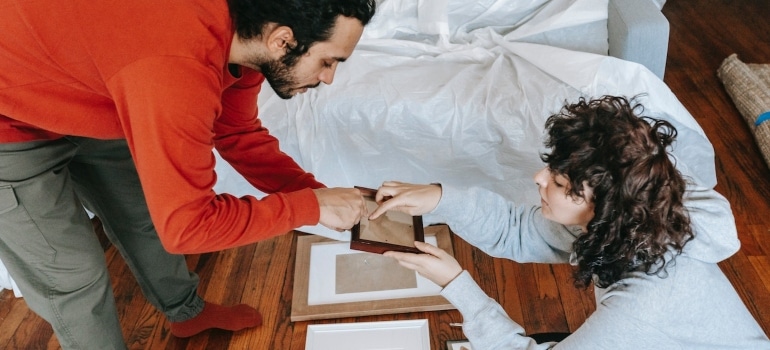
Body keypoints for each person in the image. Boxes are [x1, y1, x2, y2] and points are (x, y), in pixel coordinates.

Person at [0, 0, 375, 348]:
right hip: (8, 117)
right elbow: (188, 226)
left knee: (143, 214)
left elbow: (238, 134)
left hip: (84, 85)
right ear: (282, 40)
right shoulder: (175, 70)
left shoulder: (246, 42)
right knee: (75, 278)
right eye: (328, 61)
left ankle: (185, 312)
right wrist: (308, 207)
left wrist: (320, 196)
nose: (329, 78)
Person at [372, 96, 770, 349]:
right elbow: (518, 230)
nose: (538, 179)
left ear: (602, 205)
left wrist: (457, 285)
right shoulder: (635, 219)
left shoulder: (645, 304)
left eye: (559, 182)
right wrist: (440, 197)